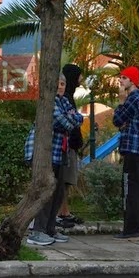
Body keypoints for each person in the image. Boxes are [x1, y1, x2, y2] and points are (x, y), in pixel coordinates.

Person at [25, 73, 84, 246]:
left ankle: (50, 229)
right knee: (46, 192)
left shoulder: (64, 101)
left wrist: (71, 119)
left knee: (58, 193)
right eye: (58, 83)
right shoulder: (48, 101)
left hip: (60, 153)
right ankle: (37, 232)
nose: (61, 86)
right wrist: (71, 119)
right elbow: (64, 122)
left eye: (63, 83)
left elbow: (78, 118)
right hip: (46, 153)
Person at [113, 66, 139, 240]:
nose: (120, 81)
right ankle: (137, 229)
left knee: (131, 188)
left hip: (134, 149)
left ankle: (130, 230)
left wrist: (121, 101)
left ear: (132, 81)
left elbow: (117, 120)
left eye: (124, 78)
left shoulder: (132, 99)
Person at [57, 64, 85, 228]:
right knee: (64, 179)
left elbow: (77, 118)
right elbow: (71, 121)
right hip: (66, 146)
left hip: (70, 145)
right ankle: (63, 212)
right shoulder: (65, 98)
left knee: (66, 180)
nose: (82, 79)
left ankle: (64, 211)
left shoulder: (69, 97)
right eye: (80, 75)